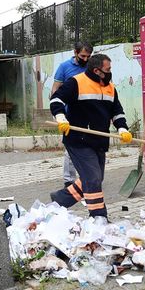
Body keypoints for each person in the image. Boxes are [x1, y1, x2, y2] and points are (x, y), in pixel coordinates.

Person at [49, 53, 132, 218]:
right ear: (97, 71)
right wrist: (60, 117)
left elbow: (117, 112)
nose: (110, 72)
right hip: (78, 139)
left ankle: (60, 199)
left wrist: (122, 128)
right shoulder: (77, 82)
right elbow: (56, 100)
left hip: (99, 140)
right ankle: (99, 217)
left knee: (95, 178)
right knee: (93, 179)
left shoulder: (110, 88)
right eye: (107, 69)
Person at [52, 41, 93, 188]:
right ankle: (69, 180)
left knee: (90, 147)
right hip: (70, 115)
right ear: (75, 53)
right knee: (71, 148)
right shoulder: (64, 67)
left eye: (88, 56)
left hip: (89, 114)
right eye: (83, 56)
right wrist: (58, 114)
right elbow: (55, 91)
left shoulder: (91, 67)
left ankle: (87, 178)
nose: (86, 59)